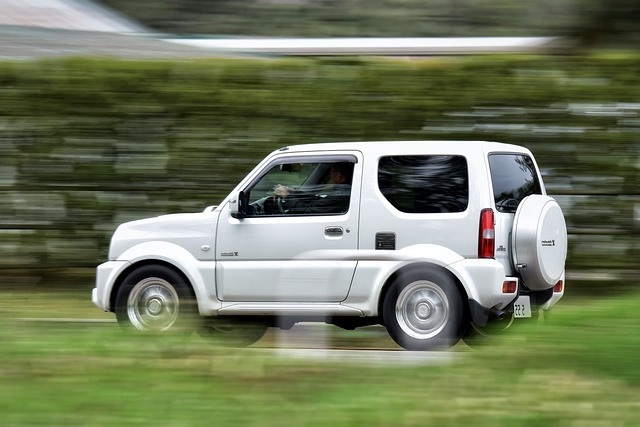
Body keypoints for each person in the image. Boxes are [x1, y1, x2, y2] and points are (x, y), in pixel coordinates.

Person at [271, 162, 352, 214]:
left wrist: (287, 195)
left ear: (339, 176)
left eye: (331, 172)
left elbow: (309, 211)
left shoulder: (340, 195)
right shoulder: (343, 192)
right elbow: (317, 200)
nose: (330, 176)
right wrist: (292, 192)